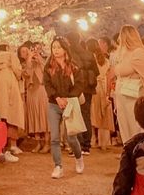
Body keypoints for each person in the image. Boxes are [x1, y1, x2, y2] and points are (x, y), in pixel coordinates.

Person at [43, 37, 85, 179]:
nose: (56, 50)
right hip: (54, 104)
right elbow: (47, 84)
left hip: (70, 103)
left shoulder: (74, 66)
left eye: (58, 47)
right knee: (54, 137)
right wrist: (57, 98)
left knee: (71, 137)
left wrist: (69, 97)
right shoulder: (48, 66)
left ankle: (79, 158)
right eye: (53, 47)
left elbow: (80, 84)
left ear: (65, 49)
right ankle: (58, 166)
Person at [114, 25, 144, 143]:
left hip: (133, 99)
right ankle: (129, 152)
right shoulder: (122, 54)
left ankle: (138, 152)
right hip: (122, 98)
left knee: (135, 127)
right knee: (125, 128)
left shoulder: (139, 53)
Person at [0, 44, 25, 161]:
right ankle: (12, 145)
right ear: (7, 49)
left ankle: (0, 148)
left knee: (0, 117)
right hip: (9, 84)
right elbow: (18, 71)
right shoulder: (10, 55)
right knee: (13, 114)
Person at [65, 31, 99, 155]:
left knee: (75, 116)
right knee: (86, 116)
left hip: (75, 89)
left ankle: (77, 145)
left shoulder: (69, 55)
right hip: (88, 88)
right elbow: (97, 72)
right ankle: (86, 146)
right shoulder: (89, 54)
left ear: (68, 41)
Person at [20, 44, 49, 153]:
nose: (27, 53)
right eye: (23, 52)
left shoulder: (41, 61)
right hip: (31, 92)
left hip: (42, 91)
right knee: (34, 117)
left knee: (44, 117)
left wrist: (39, 59)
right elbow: (27, 74)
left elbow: (47, 71)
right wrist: (28, 60)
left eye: (27, 50)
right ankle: (38, 143)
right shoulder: (24, 65)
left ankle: (47, 143)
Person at [87, 38, 115, 150]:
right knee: (105, 115)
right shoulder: (106, 60)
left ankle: (93, 139)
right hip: (104, 87)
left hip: (94, 87)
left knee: (93, 114)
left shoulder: (90, 59)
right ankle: (104, 142)